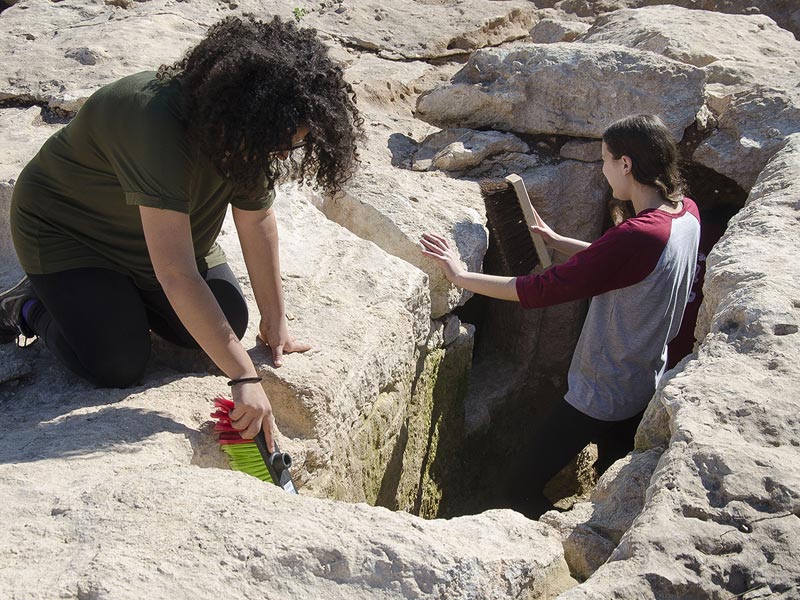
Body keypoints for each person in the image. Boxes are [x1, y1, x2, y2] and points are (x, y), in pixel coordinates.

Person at [0, 15, 362, 451]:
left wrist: (275, 318)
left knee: (230, 324)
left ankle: (117, 300)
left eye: (296, 143)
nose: (284, 152)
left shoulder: (257, 131)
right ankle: (29, 306)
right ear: (246, 112)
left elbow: (256, 220)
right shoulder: (153, 119)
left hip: (168, 243)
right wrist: (243, 377)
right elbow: (176, 273)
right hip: (71, 235)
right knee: (116, 363)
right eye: (281, 140)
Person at [421, 114, 700, 517]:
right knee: (616, 493)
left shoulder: (637, 236)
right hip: (645, 379)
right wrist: (557, 241)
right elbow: (628, 265)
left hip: (601, 390)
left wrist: (461, 275)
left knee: (516, 490)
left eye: (605, 160)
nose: (604, 171)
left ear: (626, 164)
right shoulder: (685, 214)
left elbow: (540, 290)